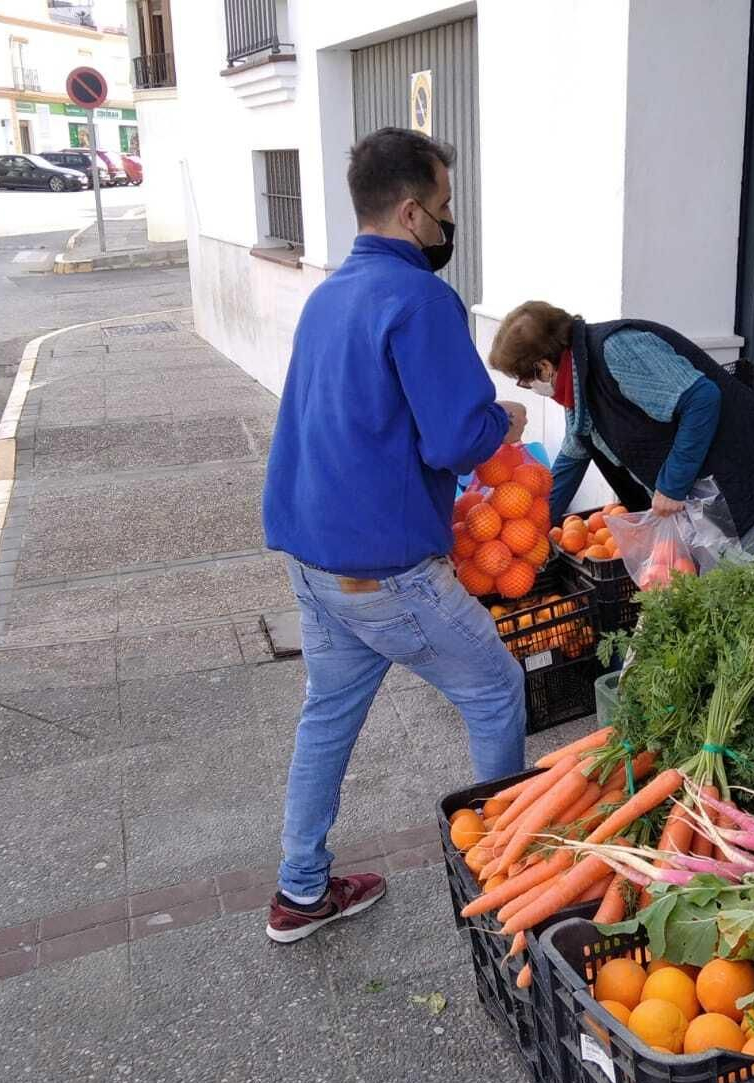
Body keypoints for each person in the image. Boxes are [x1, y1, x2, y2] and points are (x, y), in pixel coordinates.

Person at [261, 128, 529, 944]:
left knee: (328, 720)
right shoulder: (418, 299)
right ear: (412, 212)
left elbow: (364, 419)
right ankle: (514, 876)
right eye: (444, 209)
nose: (448, 225)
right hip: (386, 573)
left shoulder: (330, 293)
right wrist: (502, 420)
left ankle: (299, 892)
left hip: (313, 561)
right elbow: (455, 439)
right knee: (494, 690)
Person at [486, 302, 754, 536]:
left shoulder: (616, 349)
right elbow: (574, 453)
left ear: (543, 366)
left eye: (522, 379)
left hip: (748, 472)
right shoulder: (577, 386)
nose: (525, 388)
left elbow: (702, 399)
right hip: (712, 496)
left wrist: (672, 485)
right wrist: (535, 530)